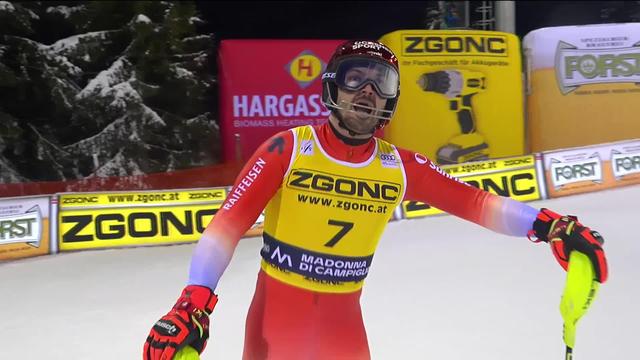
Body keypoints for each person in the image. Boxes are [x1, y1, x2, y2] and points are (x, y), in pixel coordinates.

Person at [143, 40, 608, 360]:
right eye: (354, 78)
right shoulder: (288, 148)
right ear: (331, 87)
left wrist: (548, 225)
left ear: (391, 100)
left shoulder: (398, 165)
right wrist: (194, 300)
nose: (366, 90)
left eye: (380, 82)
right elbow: (225, 228)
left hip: (345, 327)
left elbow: (476, 203)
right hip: (276, 326)